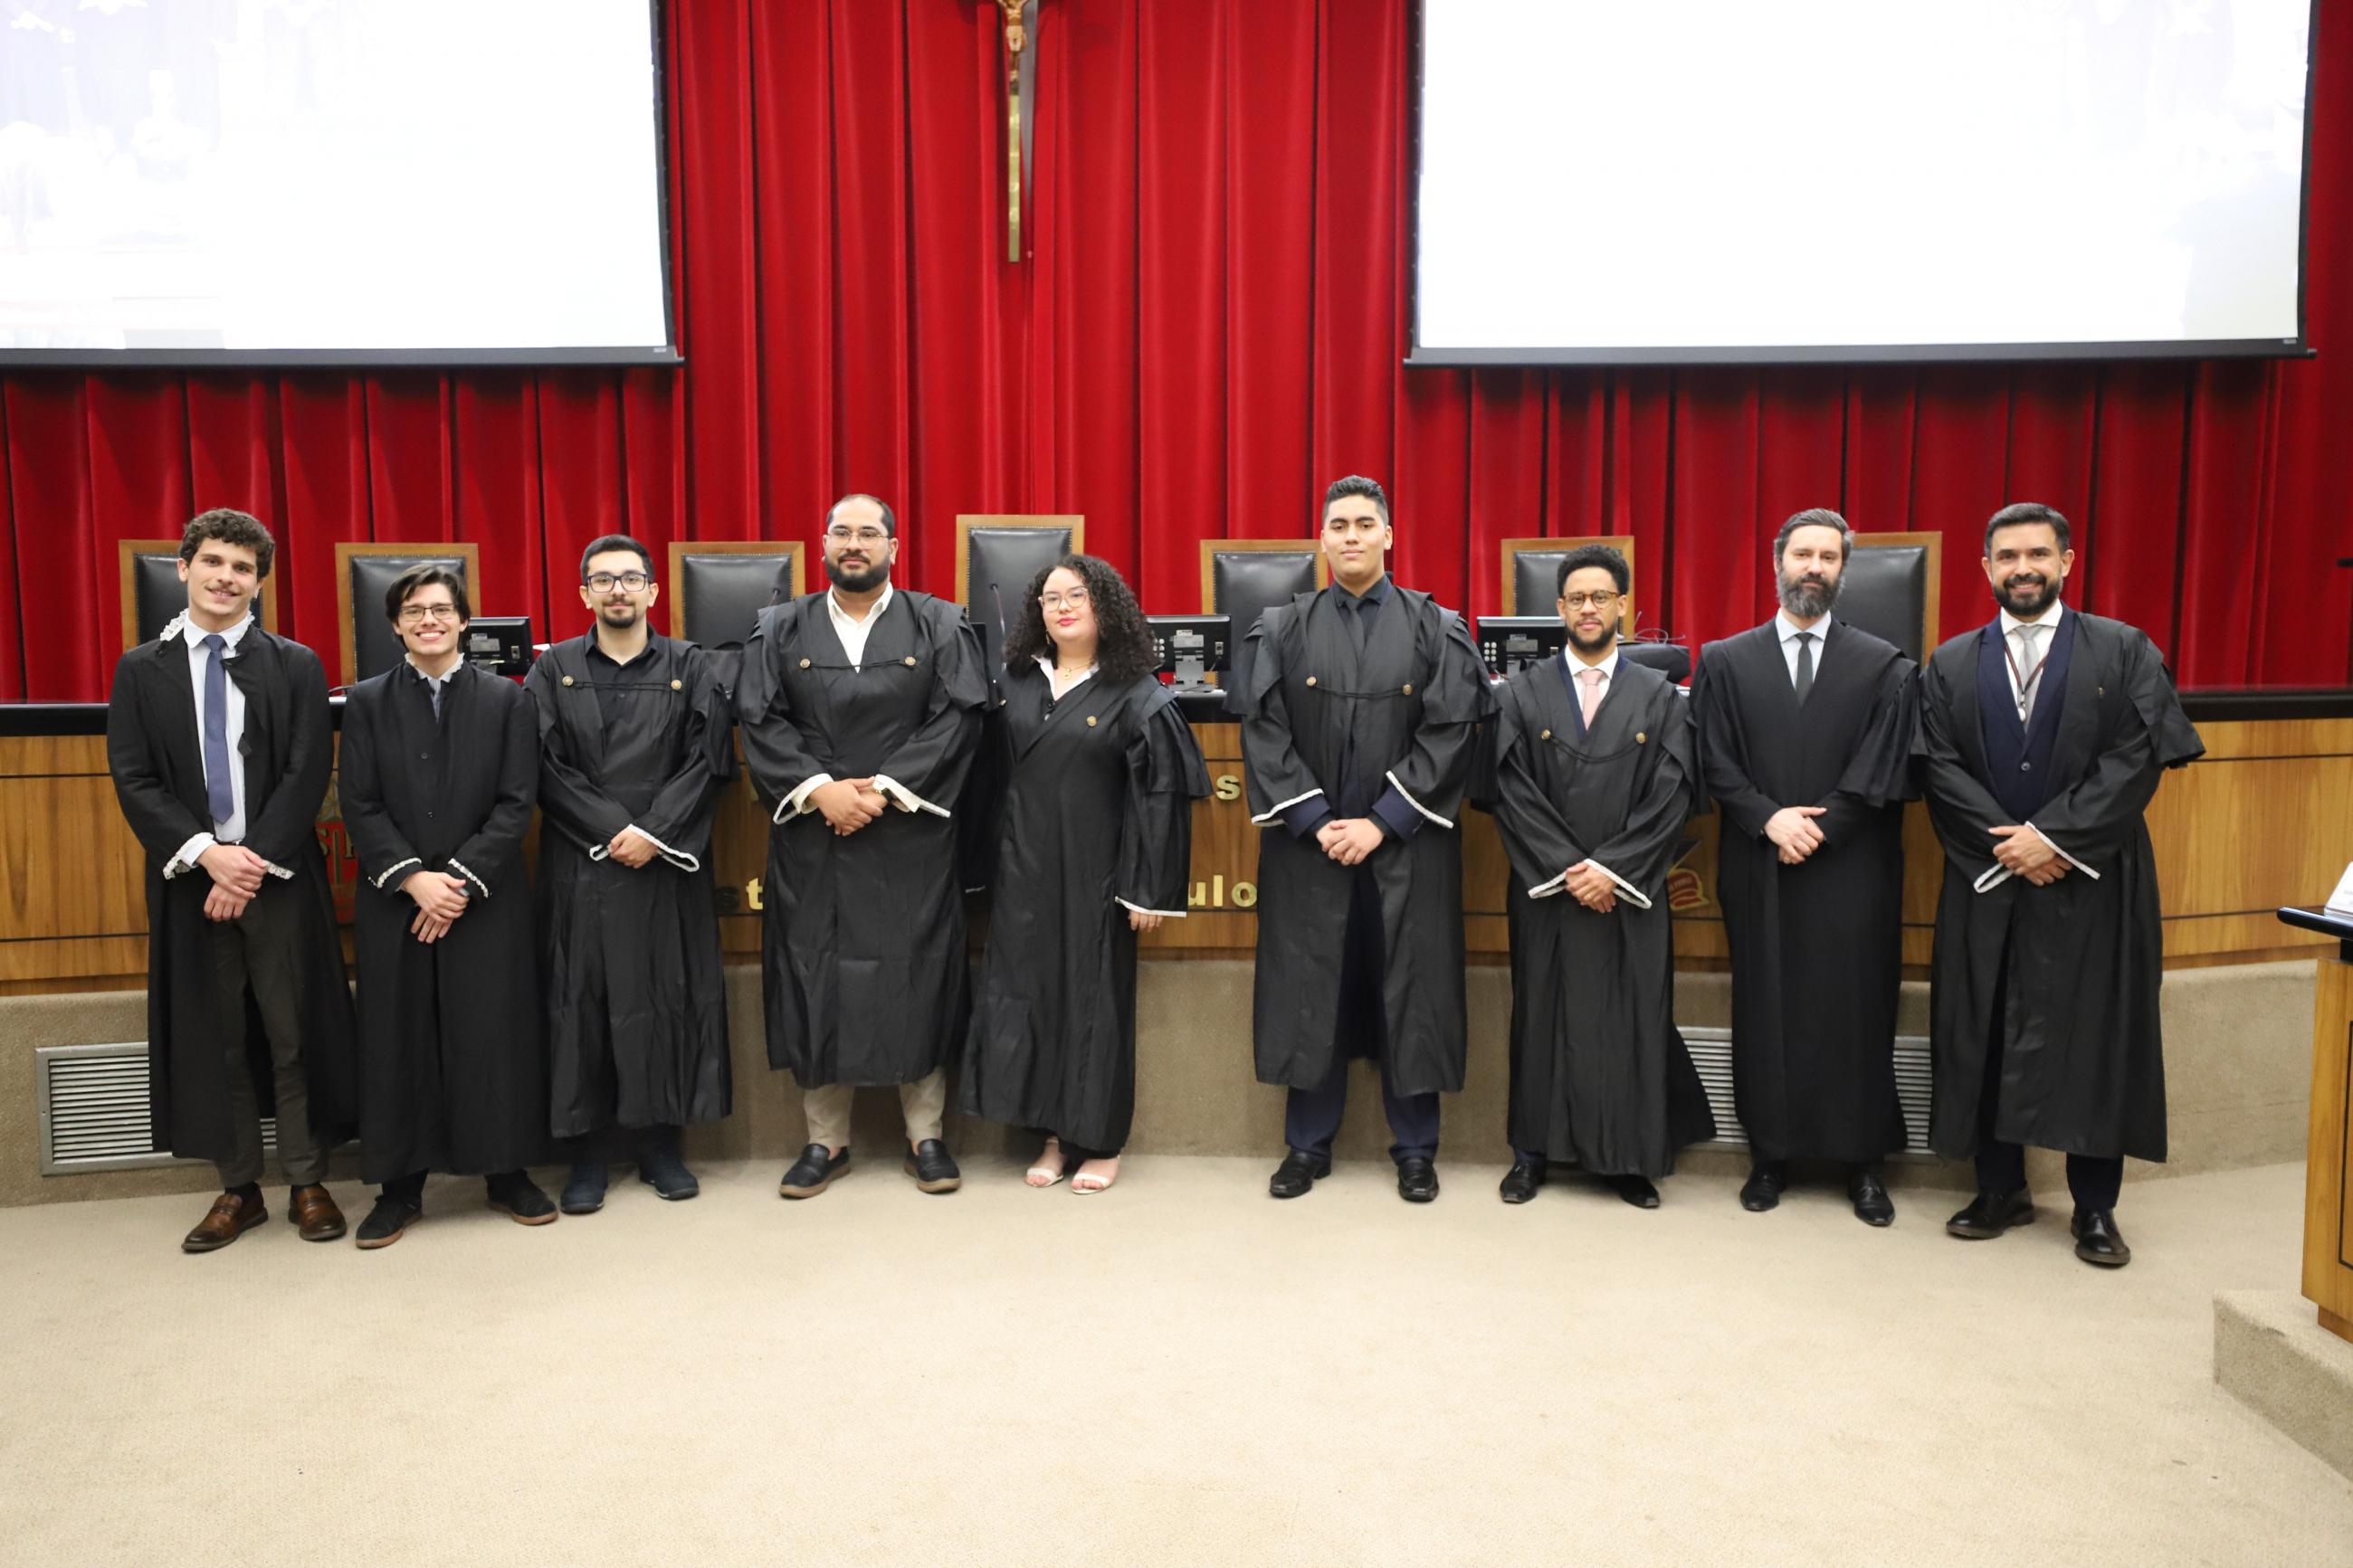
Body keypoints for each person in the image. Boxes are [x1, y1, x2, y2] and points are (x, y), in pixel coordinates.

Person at [1916, 502, 2202, 1268]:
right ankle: (1999, 1187)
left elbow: (2137, 756)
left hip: (2094, 881)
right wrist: (2012, 847)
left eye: (2038, 554)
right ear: (1986, 568)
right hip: (1989, 877)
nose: (2023, 569)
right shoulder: (1949, 663)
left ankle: (2095, 1208)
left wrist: (2056, 838)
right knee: (1985, 1028)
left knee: (2097, 1035)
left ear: (2067, 561)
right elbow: (1937, 765)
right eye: (2007, 556)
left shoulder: (2124, 649)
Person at [104, 508, 357, 1251]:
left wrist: (247, 863)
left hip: (278, 875)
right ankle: (239, 1187)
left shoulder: (296, 664)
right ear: (184, 567)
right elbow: (134, 776)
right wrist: (207, 854)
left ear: (259, 583)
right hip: (191, 881)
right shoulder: (140, 669)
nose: (226, 577)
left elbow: (307, 771)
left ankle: (307, 1179)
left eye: (243, 567)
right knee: (216, 1037)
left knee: (291, 1030)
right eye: (213, 561)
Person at [1240, 475, 1496, 1202]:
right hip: (1310, 846)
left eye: (1364, 523)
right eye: (1338, 525)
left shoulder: (1436, 627)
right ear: (1321, 539)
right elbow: (1264, 731)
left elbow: (1451, 731)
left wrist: (1383, 820)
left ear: (1389, 535)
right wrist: (1317, 820)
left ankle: (1415, 1149)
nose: (1351, 535)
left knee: (1411, 989)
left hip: (1406, 846)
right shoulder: (1281, 628)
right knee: (1310, 987)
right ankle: (1305, 1146)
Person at [738, 494, 989, 1199]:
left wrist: (882, 788)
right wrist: (821, 790)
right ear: (823, 543)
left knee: (920, 975)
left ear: (893, 548)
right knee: (815, 976)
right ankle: (825, 1141)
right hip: (813, 835)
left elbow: (959, 716)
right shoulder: (778, 627)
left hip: (909, 833)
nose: (855, 543)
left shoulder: (939, 623)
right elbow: (759, 717)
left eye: (869, 533)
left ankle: (925, 1136)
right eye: (842, 532)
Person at [1693, 508, 1914, 1225]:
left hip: (1854, 866)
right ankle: (1771, 1155)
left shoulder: (1885, 665)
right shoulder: (1725, 660)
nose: (1813, 567)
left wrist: (1818, 828)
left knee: (1858, 1007)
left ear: (1844, 569)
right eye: (1802, 554)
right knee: (1766, 1007)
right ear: (1778, 563)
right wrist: (1768, 818)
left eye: (1828, 556)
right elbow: (1712, 758)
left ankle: (1863, 1162)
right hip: (1759, 862)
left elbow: (1883, 765)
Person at [961, 555, 1209, 1193]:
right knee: (1032, 999)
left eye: (1077, 595)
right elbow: (986, 778)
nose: (1063, 607)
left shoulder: (1136, 691)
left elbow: (1158, 795)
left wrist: (1147, 886)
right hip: (1023, 870)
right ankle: (1051, 1135)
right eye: (1050, 598)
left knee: (1093, 1005)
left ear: (1106, 606)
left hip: (1098, 874)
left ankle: (1099, 1141)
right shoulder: (1015, 681)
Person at [1480, 545, 1714, 1207]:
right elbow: (1510, 789)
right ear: (1559, 608)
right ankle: (1531, 1153)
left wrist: (1612, 869)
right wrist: (1571, 870)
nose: (1589, 608)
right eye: (1577, 598)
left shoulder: (1662, 698)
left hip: (1630, 893)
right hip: (1548, 890)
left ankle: (1627, 1158)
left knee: (1631, 1016)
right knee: (1540, 1015)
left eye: (1601, 597)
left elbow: (1672, 793)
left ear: (1623, 607)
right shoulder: (1520, 694)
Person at [339, 565, 552, 1247]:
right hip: (397, 900)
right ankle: (399, 1189)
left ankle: (506, 1174)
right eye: (413, 611)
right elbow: (359, 803)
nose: (428, 620)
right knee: (397, 1039)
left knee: (492, 1034)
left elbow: (516, 802)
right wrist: (414, 880)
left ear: (463, 620)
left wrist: (455, 881)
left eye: (440, 609)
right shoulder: (366, 701)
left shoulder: (508, 699)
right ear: (395, 625)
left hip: (483, 898)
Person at [527, 535, 735, 1215]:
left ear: (652, 590)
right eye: (603, 579)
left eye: (629, 578)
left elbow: (708, 759)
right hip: (582, 866)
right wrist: (611, 829)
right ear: (584, 593)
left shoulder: (690, 665)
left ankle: (659, 1147)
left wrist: (652, 832)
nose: (617, 589)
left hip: (663, 866)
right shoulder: (553, 668)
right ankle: (586, 1155)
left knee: (663, 1000)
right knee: (579, 1006)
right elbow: (541, 764)